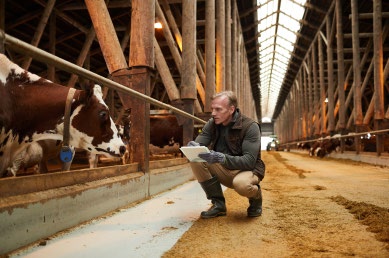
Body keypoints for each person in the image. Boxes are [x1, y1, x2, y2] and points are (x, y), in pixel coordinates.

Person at [188, 91, 265, 218]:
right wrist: (193, 146)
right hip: (224, 168)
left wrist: (221, 158)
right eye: (213, 109)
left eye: (218, 109)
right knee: (196, 159)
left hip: (245, 170)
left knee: (242, 185)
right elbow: (199, 145)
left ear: (231, 109)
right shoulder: (212, 123)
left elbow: (249, 161)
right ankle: (218, 204)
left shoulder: (250, 126)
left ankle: (256, 197)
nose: (213, 113)